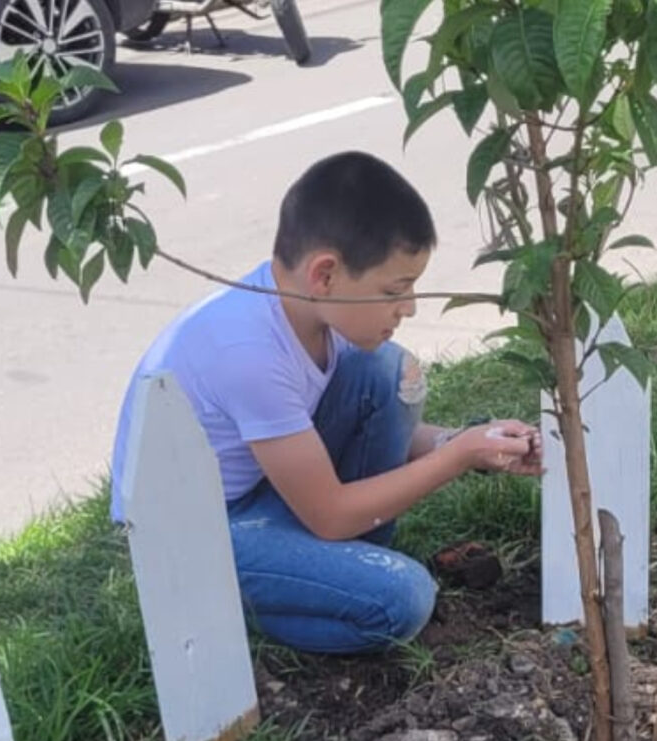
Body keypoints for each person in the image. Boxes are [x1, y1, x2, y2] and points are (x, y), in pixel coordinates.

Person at [109, 152, 543, 655]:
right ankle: (246, 608)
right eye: (395, 290)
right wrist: (457, 456)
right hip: (196, 535)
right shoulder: (249, 353)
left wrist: (469, 442)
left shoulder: (307, 308)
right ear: (326, 275)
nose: (410, 307)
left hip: (264, 488)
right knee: (402, 597)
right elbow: (330, 517)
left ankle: (326, 569)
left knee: (383, 371)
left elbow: (346, 438)